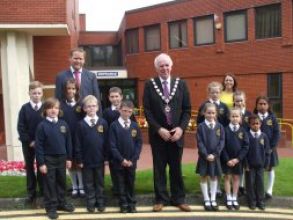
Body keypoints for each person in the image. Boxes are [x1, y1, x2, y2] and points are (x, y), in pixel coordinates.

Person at [143, 53, 191, 212]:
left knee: (176, 168)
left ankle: (179, 199)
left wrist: (181, 129)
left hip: (176, 135)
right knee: (159, 168)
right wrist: (159, 129)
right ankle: (160, 199)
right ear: (156, 68)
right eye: (161, 65)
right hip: (158, 136)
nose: (164, 68)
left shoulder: (181, 84)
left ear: (171, 66)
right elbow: (147, 111)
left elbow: (187, 110)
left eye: (166, 65)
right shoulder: (149, 85)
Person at [35, 98, 74, 220]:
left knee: (61, 182)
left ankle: (61, 203)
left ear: (59, 110)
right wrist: (41, 163)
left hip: (62, 158)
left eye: (56, 108)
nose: (53, 110)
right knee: (50, 184)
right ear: (45, 110)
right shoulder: (42, 126)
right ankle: (51, 207)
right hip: (48, 159)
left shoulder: (63, 124)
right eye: (51, 107)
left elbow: (68, 142)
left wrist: (69, 158)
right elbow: (39, 146)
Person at [75, 95, 108, 213]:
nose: (91, 108)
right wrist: (79, 160)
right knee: (88, 183)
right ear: (84, 109)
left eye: (93, 106)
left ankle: (100, 202)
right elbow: (77, 144)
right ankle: (90, 203)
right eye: (88, 106)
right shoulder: (80, 125)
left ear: (98, 107)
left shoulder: (103, 123)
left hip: (100, 159)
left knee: (99, 182)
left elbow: (106, 142)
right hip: (86, 161)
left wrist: (106, 157)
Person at [109, 100, 142, 213]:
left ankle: (131, 203)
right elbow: (112, 146)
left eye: (129, 111)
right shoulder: (114, 126)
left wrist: (133, 159)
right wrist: (121, 159)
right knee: (121, 183)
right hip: (119, 162)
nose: (126, 114)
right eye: (124, 111)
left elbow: (139, 143)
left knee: (130, 182)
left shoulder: (134, 125)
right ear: (119, 110)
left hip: (132, 162)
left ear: (132, 112)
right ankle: (123, 203)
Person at [103, 87, 136, 197]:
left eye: (117, 96)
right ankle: (117, 189)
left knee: (128, 169)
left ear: (121, 97)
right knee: (114, 167)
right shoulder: (106, 112)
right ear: (108, 98)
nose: (114, 99)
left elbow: (134, 127)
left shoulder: (127, 109)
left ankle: (128, 189)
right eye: (112, 97)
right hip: (113, 144)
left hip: (126, 144)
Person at [17, 81, 44, 205]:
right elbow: (21, 127)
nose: (36, 95)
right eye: (34, 93)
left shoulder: (45, 108)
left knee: (42, 167)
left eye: (39, 93)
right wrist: (30, 141)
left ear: (42, 94)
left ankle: (43, 191)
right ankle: (31, 192)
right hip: (28, 144)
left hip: (42, 144)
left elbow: (47, 126)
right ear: (29, 93)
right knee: (29, 167)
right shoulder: (24, 109)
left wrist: (39, 142)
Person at [196, 103, 225, 211]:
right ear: (204, 113)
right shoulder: (200, 127)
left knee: (214, 177)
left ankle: (213, 199)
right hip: (204, 157)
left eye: (213, 113)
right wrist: (206, 154)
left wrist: (215, 154)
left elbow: (222, 142)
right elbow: (199, 142)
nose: (211, 115)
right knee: (203, 176)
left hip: (215, 157)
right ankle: (206, 199)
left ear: (216, 114)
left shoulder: (220, 127)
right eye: (208, 112)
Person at [55, 47, 102, 114]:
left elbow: (96, 97)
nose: (78, 61)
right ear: (70, 59)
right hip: (68, 115)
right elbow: (58, 98)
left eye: (80, 59)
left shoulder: (91, 76)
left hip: (87, 114)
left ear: (84, 60)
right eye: (75, 58)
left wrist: (99, 116)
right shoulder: (61, 76)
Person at [59, 79, 84, 198]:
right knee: (70, 164)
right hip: (65, 139)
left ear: (77, 90)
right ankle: (74, 187)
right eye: (69, 88)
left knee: (78, 163)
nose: (71, 91)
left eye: (73, 88)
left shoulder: (81, 104)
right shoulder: (60, 105)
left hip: (78, 139)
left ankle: (82, 186)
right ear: (65, 90)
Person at [221, 108, 249, 210]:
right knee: (227, 178)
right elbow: (222, 146)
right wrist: (227, 159)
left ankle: (234, 197)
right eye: (233, 116)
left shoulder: (243, 131)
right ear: (229, 117)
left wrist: (237, 159)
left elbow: (246, 147)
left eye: (237, 116)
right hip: (227, 160)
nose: (235, 118)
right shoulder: (224, 130)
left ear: (240, 118)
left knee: (236, 178)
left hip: (238, 160)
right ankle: (228, 197)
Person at [253, 96, 280, 199]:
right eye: (260, 104)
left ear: (268, 106)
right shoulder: (253, 117)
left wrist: (272, 147)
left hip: (270, 149)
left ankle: (269, 190)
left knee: (269, 168)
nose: (262, 106)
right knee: (256, 170)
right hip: (256, 149)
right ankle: (257, 190)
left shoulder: (273, 118)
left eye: (265, 104)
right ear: (256, 105)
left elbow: (277, 133)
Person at [245, 114, 270, 210]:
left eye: (257, 123)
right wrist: (246, 164)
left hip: (260, 165)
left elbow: (267, 151)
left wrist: (266, 164)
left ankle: (261, 201)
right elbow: (244, 151)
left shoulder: (264, 136)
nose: (255, 125)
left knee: (260, 183)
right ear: (249, 125)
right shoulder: (247, 136)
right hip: (249, 166)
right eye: (253, 124)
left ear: (260, 124)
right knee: (250, 183)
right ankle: (252, 201)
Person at [233, 90, 252, 196]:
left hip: (246, 143)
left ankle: (243, 186)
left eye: (241, 100)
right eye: (237, 101)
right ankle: (236, 185)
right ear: (234, 101)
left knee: (245, 166)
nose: (239, 103)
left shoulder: (249, 114)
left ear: (244, 101)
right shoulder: (232, 113)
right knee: (236, 165)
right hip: (235, 143)